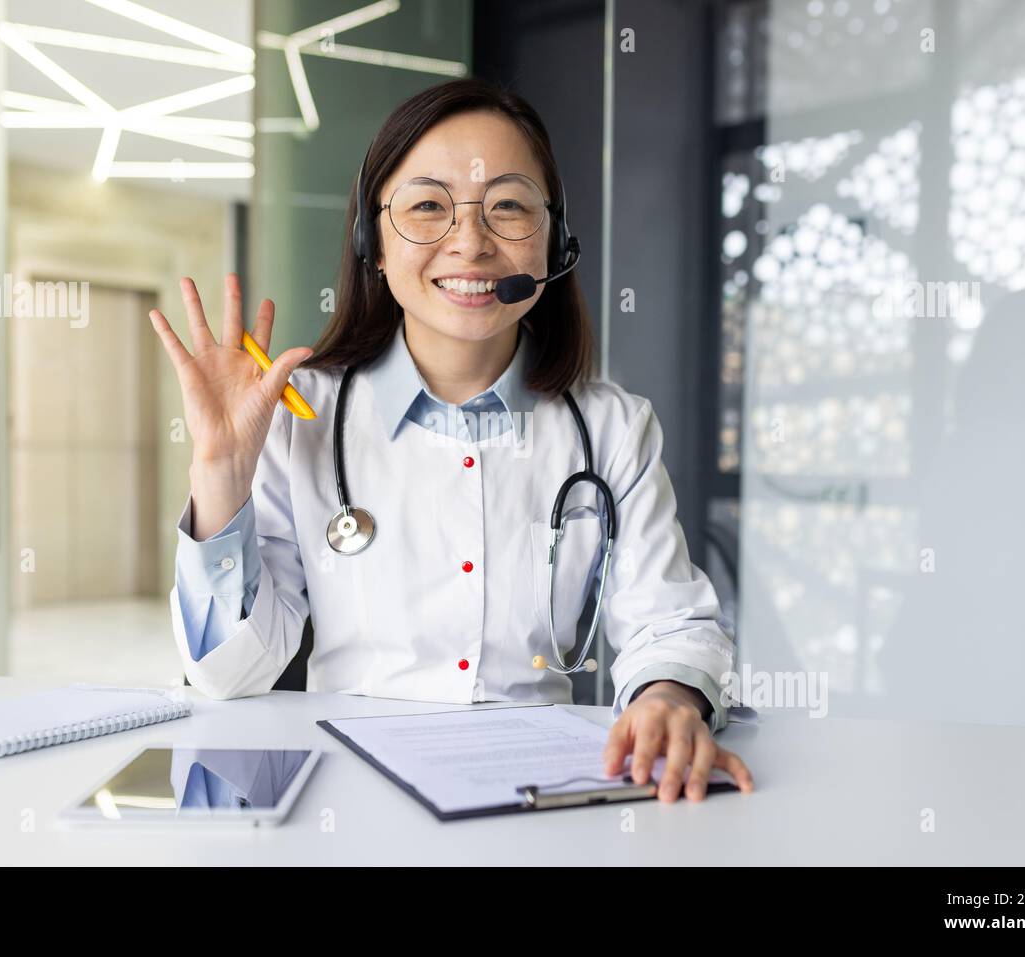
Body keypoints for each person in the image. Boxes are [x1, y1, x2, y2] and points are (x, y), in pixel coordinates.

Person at [149, 78, 752, 803]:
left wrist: (668, 699)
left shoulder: (614, 426)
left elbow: (669, 621)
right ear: (374, 242)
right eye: (429, 206)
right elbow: (230, 675)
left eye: (507, 206)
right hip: (354, 806)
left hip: (543, 804)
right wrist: (220, 474)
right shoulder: (298, 415)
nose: (470, 242)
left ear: (554, 239)